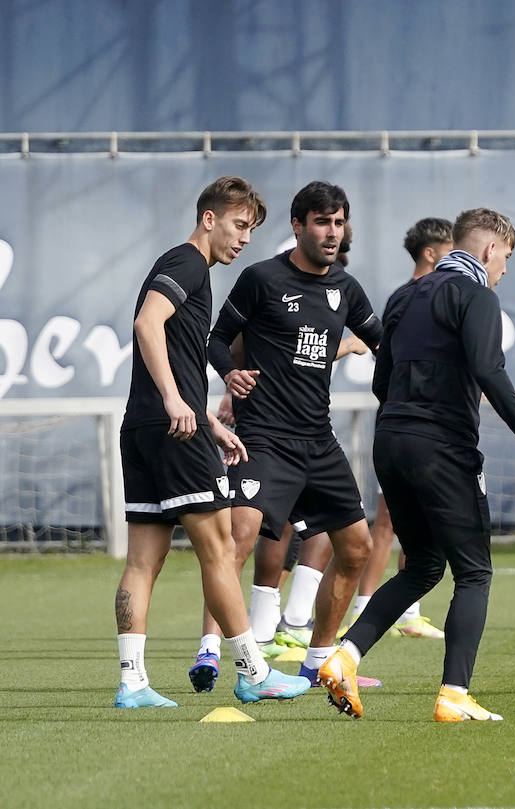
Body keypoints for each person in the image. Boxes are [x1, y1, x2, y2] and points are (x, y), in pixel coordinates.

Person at [319, 208, 515, 722]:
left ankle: (344, 656)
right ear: (489, 250)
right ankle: (454, 694)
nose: (505, 271)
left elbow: (380, 382)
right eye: (507, 259)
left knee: (426, 566)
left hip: (390, 442)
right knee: (473, 571)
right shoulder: (477, 296)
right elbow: (487, 368)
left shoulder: (404, 296)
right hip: (441, 447)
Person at [114, 175, 309, 707]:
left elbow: (170, 350)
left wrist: (206, 417)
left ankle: (131, 682)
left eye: (250, 229)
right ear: (209, 218)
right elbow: (147, 323)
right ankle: (252, 671)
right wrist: (180, 405)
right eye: (239, 225)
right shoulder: (187, 263)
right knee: (221, 551)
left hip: (146, 428)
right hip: (173, 429)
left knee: (143, 561)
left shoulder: (185, 266)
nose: (244, 238)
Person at [201, 180, 382, 690]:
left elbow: (382, 343)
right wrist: (228, 375)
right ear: (297, 226)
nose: (332, 232)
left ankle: (318, 658)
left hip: (318, 442)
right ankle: (214, 651)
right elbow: (216, 340)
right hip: (264, 438)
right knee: (236, 541)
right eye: (322, 222)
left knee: (356, 547)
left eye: (339, 222)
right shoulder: (261, 279)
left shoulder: (345, 288)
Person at [344, 216, 456, 641]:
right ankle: (363, 607)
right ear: (431, 253)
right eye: (450, 249)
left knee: (416, 520)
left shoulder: (436, 297)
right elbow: (385, 371)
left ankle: (407, 611)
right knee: (388, 520)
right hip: (406, 424)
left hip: (419, 423)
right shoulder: (407, 299)